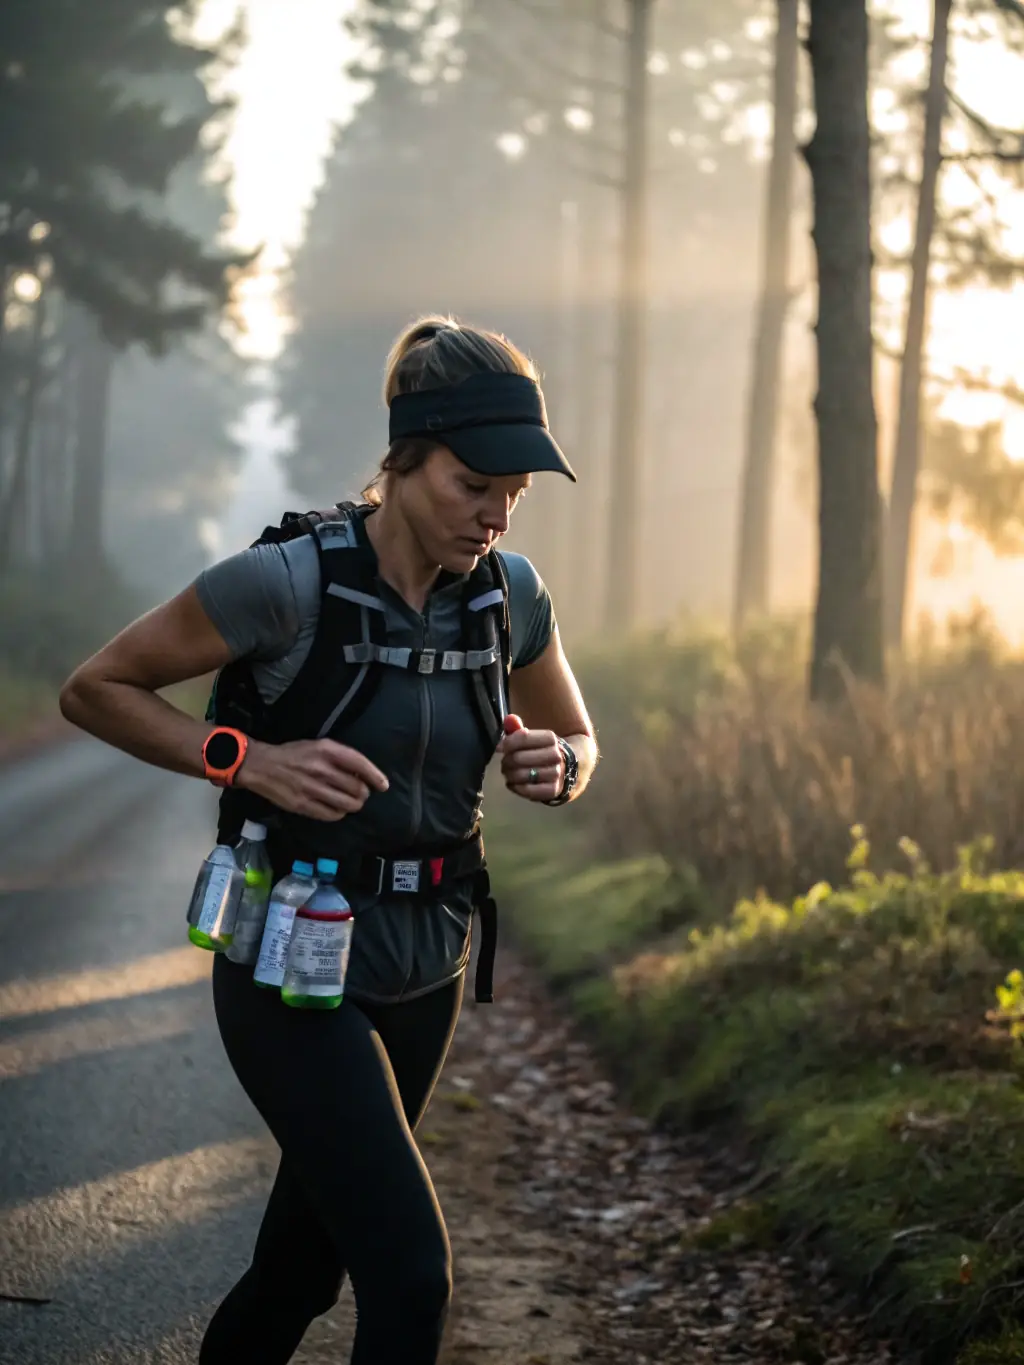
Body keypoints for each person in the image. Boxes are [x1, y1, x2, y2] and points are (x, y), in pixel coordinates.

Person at [59, 315, 599, 1365]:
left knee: (303, 1271)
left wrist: (562, 768)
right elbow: (95, 689)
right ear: (402, 460)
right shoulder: (287, 585)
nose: (493, 516)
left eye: (513, 497)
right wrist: (244, 759)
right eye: (471, 484)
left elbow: (578, 736)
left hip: (426, 962)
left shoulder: (508, 598)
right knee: (409, 1276)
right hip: (286, 963)